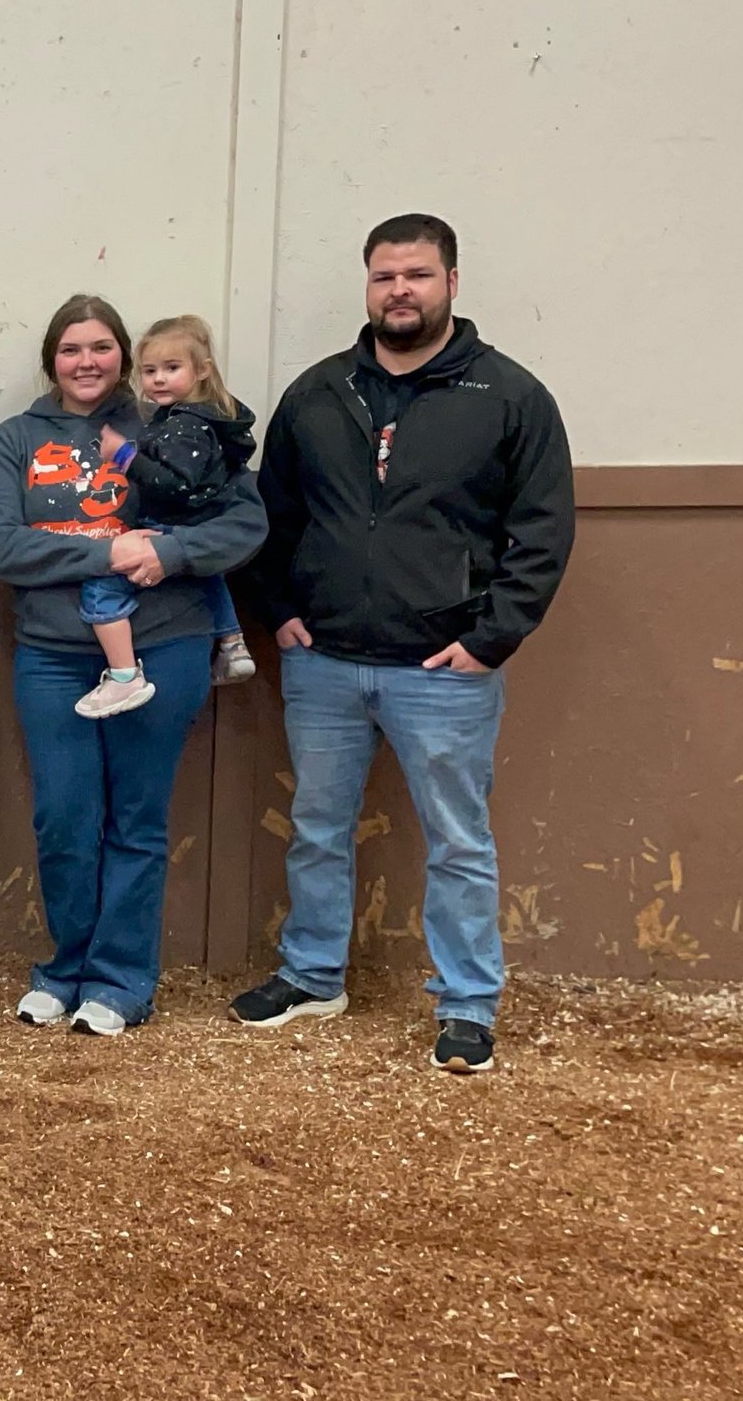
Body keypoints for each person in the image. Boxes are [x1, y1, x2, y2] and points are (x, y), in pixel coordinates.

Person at [231, 214, 574, 1074]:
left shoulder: (510, 398)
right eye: (385, 276)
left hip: (443, 669)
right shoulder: (319, 394)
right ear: (369, 286)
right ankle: (313, 976)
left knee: (458, 839)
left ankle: (466, 1004)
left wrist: (491, 639)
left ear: (452, 282)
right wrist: (280, 612)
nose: (400, 291)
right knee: (316, 825)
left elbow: (542, 531)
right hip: (326, 663)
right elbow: (270, 517)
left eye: (417, 274)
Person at [0, 295, 266, 1037]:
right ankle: (65, 967)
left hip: (163, 646)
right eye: (71, 348)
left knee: (135, 820)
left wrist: (167, 551)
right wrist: (109, 550)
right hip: (51, 655)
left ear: (125, 358)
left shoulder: (175, 427)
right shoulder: (18, 438)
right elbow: (3, 545)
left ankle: (121, 978)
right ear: (51, 360)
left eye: (102, 347)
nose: (87, 362)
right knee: (64, 819)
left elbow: (242, 523)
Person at [71, 314, 261, 719]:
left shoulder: (186, 425)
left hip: (174, 526)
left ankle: (123, 676)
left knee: (102, 581)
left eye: (171, 369)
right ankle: (231, 641)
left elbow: (172, 483)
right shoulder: (191, 420)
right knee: (208, 572)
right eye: (149, 371)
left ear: (202, 370)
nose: (157, 380)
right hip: (197, 525)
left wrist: (124, 455)